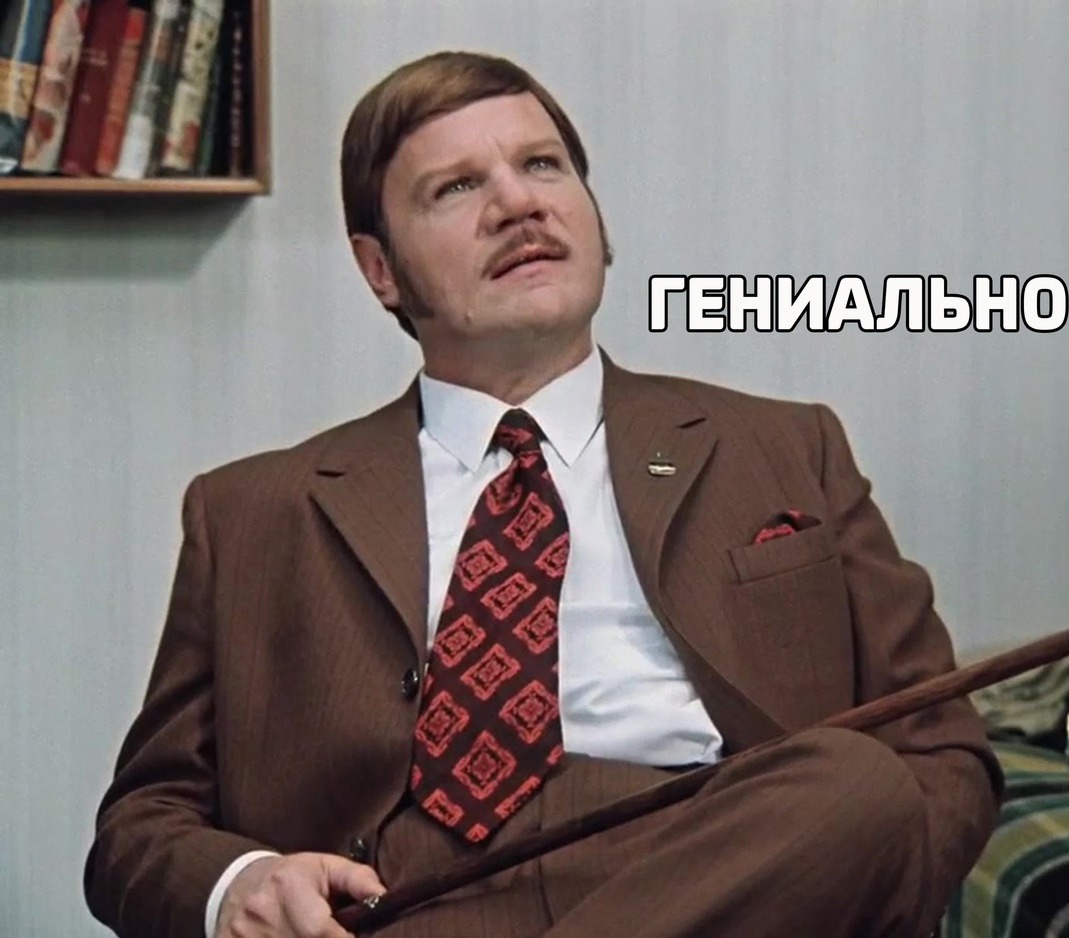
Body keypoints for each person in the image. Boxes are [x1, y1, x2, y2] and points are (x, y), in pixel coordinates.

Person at [83, 50, 1003, 938]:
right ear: (380, 269)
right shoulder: (253, 512)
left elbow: (941, 749)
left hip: (724, 874)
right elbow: (139, 827)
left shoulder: (785, 447)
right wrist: (239, 884)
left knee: (854, 782)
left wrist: (866, 894)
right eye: (456, 187)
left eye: (542, 166)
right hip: (399, 902)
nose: (518, 204)